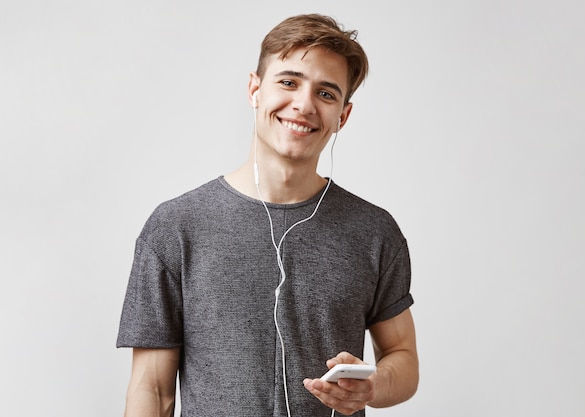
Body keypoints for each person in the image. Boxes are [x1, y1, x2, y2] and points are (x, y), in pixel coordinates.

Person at [117, 13, 419, 417]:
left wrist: (373, 386)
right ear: (255, 89)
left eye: (326, 94)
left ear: (342, 117)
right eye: (289, 82)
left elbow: (402, 356)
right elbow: (151, 391)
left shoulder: (374, 232)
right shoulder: (176, 228)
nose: (304, 104)